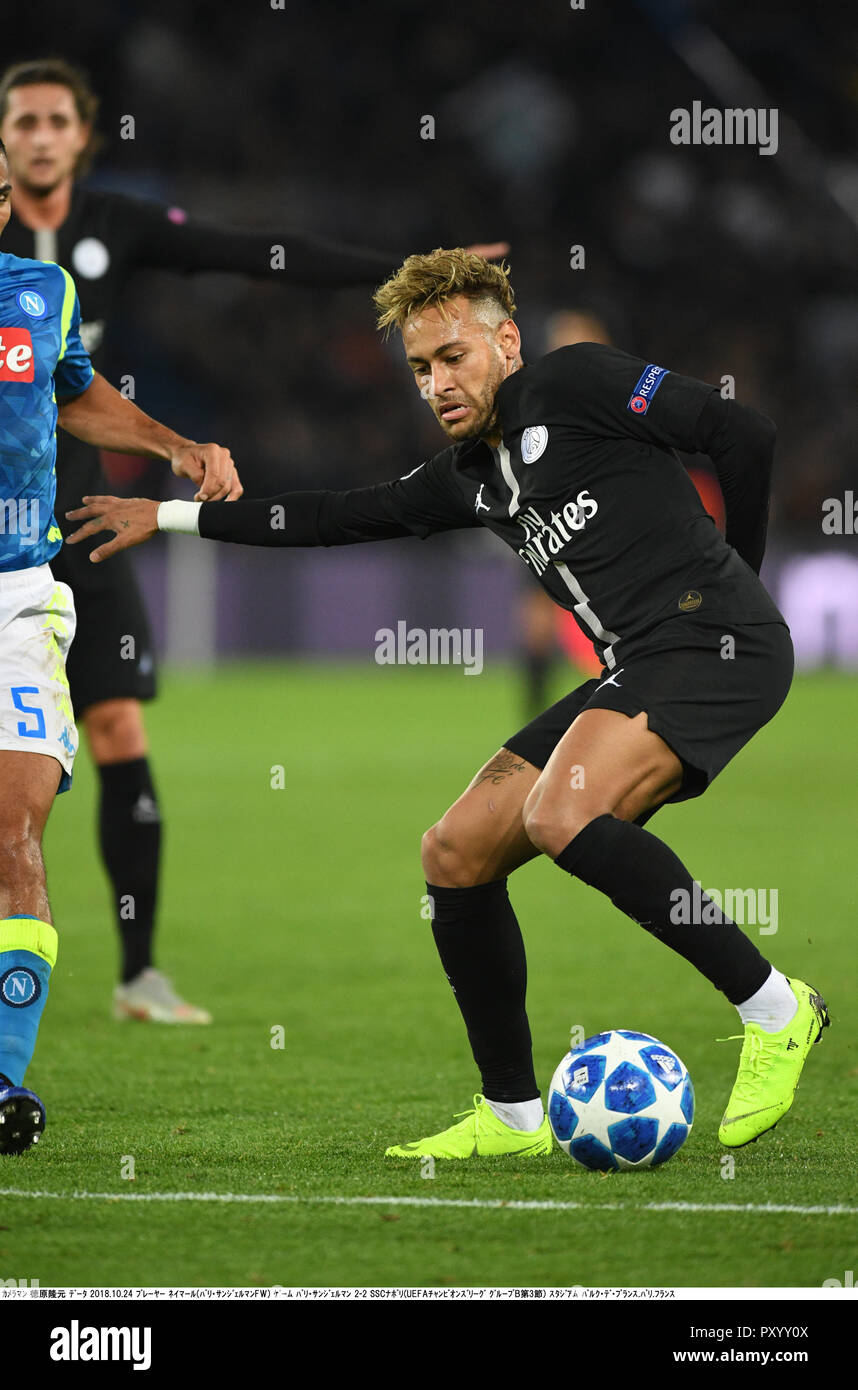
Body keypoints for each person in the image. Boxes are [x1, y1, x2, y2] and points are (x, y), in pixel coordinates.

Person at [66, 249, 829, 1159]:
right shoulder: (467, 474)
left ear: (507, 342)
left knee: (561, 812)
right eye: (421, 368)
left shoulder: (575, 382)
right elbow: (330, 517)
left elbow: (743, 431)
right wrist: (170, 517)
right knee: (456, 851)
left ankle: (775, 1009)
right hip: (639, 664)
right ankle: (511, 1116)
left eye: (454, 356)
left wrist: (739, 577)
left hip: (716, 641)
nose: (438, 382)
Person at [0, 57, 506, 1023]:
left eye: (56, 120)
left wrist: (399, 276)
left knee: (118, 730)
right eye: (21, 121)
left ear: (82, 137)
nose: (38, 136)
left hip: (82, 516)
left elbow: (253, 251)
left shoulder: (111, 229)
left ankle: (137, 972)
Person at [0, 137, 239, 1154]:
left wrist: (174, 446)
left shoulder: (39, 291)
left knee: (15, 829)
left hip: (15, 594)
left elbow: (74, 390)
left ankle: (3, 1081)